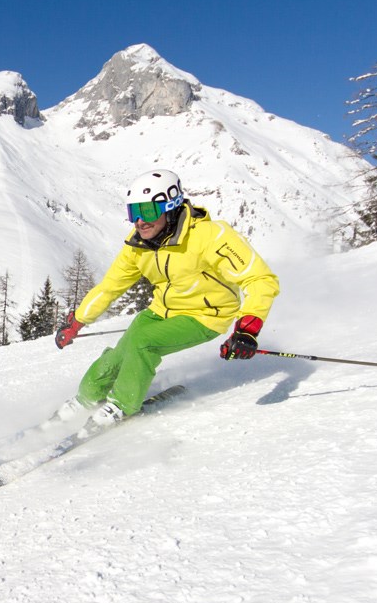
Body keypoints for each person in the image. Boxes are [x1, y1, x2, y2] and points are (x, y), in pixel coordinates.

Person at [54, 169, 280, 427]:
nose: (140, 221)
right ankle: (87, 398)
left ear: (170, 207)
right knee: (122, 351)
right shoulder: (138, 245)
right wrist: (78, 321)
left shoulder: (211, 236)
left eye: (148, 211)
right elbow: (110, 287)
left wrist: (247, 329)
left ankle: (122, 405)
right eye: (134, 212)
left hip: (206, 315)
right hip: (161, 310)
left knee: (143, 342)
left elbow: (260, 279)